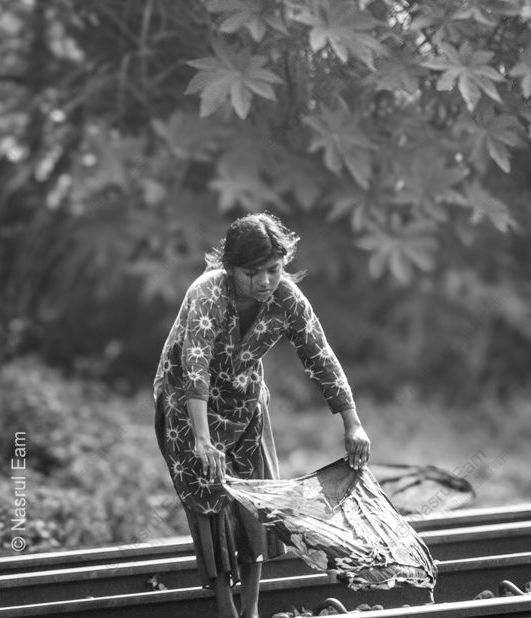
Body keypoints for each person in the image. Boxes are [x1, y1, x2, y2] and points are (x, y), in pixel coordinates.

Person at [152, 213, 370, 618]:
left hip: (245, 402)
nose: (266, 281)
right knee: (210, 500)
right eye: (254, 273)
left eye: (274, 269)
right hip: (188, 405)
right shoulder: (208, 294)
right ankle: (225, 608)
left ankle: (250, 610)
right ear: (230, 268)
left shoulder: (286, 298)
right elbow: (194, 366)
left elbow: (319, 353)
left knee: (257, 502)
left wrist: (352, 422)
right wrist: (202, 439)